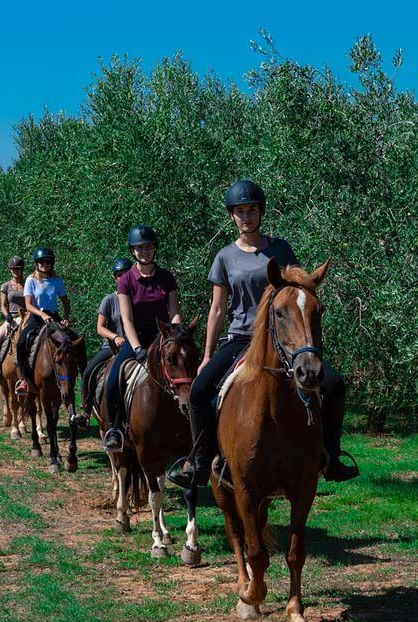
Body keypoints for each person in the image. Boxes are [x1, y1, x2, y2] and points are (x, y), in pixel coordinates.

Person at [167, 180, 359, 488]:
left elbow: (299, 290)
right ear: (232, 216)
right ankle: (200, 463)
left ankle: (331, 457)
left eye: (252, 210)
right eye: (240, 211)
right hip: (241, 338)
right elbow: (217, 309)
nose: (247, 217)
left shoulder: (280, 249)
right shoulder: (224, 257)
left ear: (261, 212)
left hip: (281, 340)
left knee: (334, 385)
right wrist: (207, 355)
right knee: (200, 391)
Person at [101, 226, 181, 451]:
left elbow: (174, 312)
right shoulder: (126, 280)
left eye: (148, 247)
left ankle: (191, 426)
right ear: (132, 251)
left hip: (164, 338)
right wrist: (136, 348)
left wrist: (176, 336)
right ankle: (114, 428)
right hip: (137, 339)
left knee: (187, 372)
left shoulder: (166, 277)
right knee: (113, 379)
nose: (144, 251)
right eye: (139, 248)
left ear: (154, 248)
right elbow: (126, 319)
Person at [14, 246, 71, 397]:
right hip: (36, 316)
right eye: (41, 262)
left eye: (48, 262)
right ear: (36, 263)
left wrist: (66, 317)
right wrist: (42, 314)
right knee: (21, 342)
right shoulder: (31, 280)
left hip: (54, 316)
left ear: (52, 263)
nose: (44, 264)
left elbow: (65, 301)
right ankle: (24, 380)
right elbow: (28, 305)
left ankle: (79, 375)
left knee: (73, 340)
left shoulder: (57, 280)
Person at [80, 257, 133, 417]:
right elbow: (100, 328)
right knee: (88, 372)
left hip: (134, 345)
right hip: (111, 347)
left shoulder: (137, 298)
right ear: (114, 277)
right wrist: (115, 337)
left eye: (126, 274)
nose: (122, 278)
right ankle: (86, 411)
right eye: (119, 275)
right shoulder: (109, 300)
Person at [0, 255, 27, 381]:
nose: (16, 271)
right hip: (12, 318)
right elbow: (3, 305)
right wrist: (7, 315)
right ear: (10, 270)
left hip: (26, 317)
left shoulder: (28, 284)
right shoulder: (6, 286)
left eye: (18, 268)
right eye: (13, 269)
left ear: (22, 269)